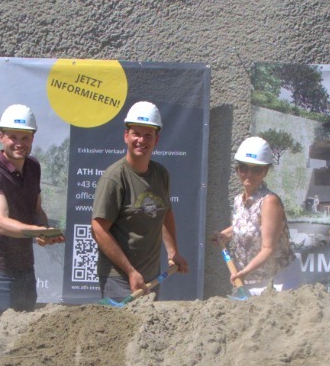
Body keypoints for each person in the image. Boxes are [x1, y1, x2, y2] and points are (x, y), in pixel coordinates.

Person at [91, 101, 188, 301]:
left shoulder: (161, 174)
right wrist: (130, 271)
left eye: (148, 135)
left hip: (151, 276)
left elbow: (165, 212)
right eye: (136, 133)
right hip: (119, 279)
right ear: (126, 136)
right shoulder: (115, 177)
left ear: (156, 139)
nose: (141, 140)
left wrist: (173, 252)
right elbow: (98, 229)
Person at [0, 104, 64, 318]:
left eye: (25, 138)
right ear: (1, 137)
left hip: (25, 269)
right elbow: (1, 223)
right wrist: (37, 232)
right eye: (13, 137)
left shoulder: (33, 167)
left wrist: (45, 229)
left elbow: (36, 209)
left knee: (25, 336)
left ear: (32, 138)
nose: (19, 144)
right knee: (3, 337)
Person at [210, 136, 301, 296]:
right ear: (237, 169)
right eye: (244, 168)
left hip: (279, 280)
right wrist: (226, 234)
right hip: (251, 279)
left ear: (265, 171)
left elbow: (268, 248)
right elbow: (249, 224)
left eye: (256, 169)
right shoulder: (239, 199)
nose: (248, 174)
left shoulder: (269, 202)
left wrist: (243, 273)